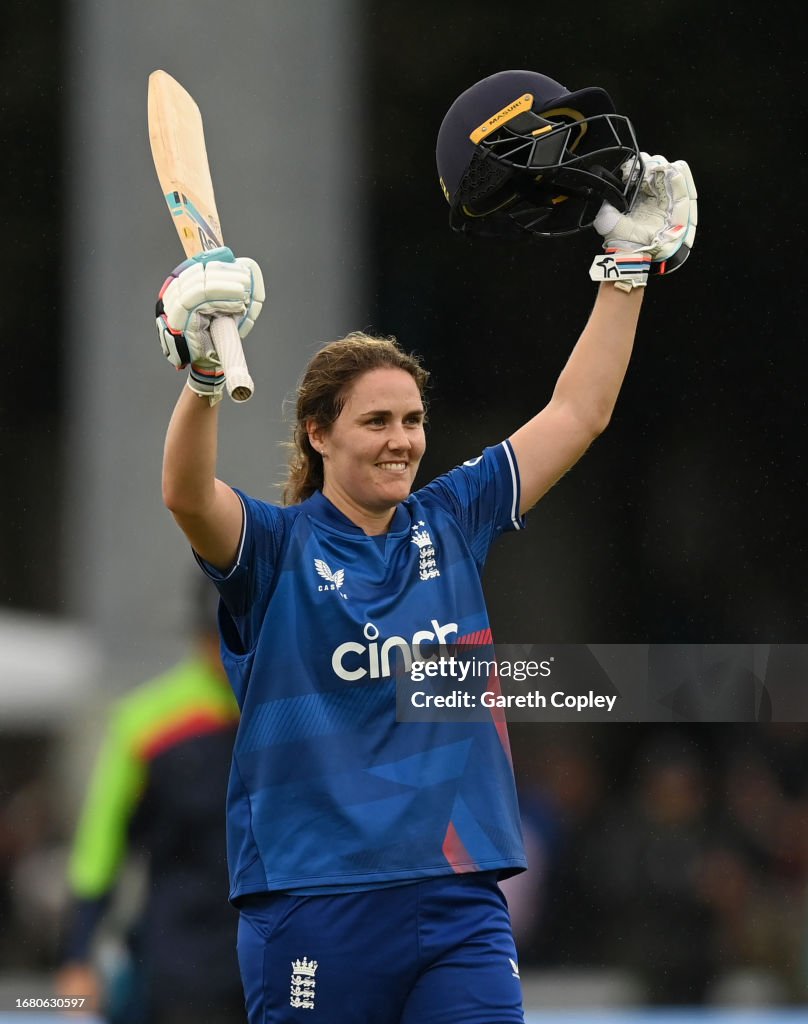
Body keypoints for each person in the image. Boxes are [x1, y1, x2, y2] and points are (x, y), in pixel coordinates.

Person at [156, 69, 697, 1024]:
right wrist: (203, 372)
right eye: (376, 422)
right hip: (315, 906)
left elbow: (579, 411)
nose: (403, 439)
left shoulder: (452, 517)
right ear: (320, 433)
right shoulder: (275, 552)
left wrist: (627, 271)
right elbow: (186, 494)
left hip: (459, 900)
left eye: (412, 419)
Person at [56, 579, 244, 1024]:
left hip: (286, 960)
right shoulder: (145, 721)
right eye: (226, 633)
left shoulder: (289, 709)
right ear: (201, 636)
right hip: (187, 964)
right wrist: (78, 957)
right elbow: (98, 848)